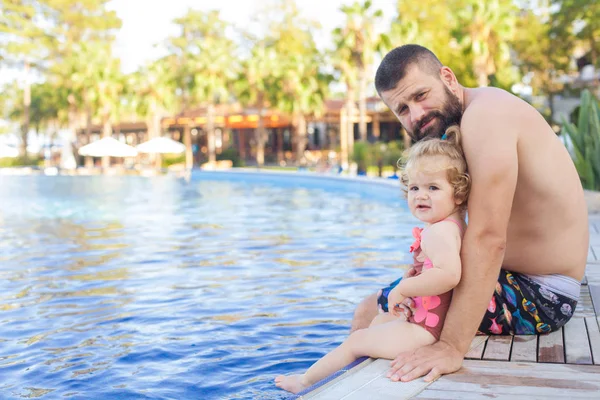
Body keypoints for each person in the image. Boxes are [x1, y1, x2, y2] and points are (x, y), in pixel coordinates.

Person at [351, 44, 589, 383]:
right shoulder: (470, 119)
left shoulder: (485, 117)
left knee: (370, 310)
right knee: (391, 305)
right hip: (522, 281)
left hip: (542, 296)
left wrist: (450, 346)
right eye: (402, 108)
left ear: (447, 77)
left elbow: (489, 238)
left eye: (421, 95)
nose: (416, 114)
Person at [275, 126, 470, 394]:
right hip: (428, 321)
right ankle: (352, 373)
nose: (420, 195)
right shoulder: (452, 224)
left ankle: (306, 382)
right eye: (414, 187)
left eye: (433, 187)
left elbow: (449, 275)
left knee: (357, 340)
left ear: (458, 194)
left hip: (426, 331)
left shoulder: (438, 232)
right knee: (378, 322)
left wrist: (403, 289)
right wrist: (410, 286)